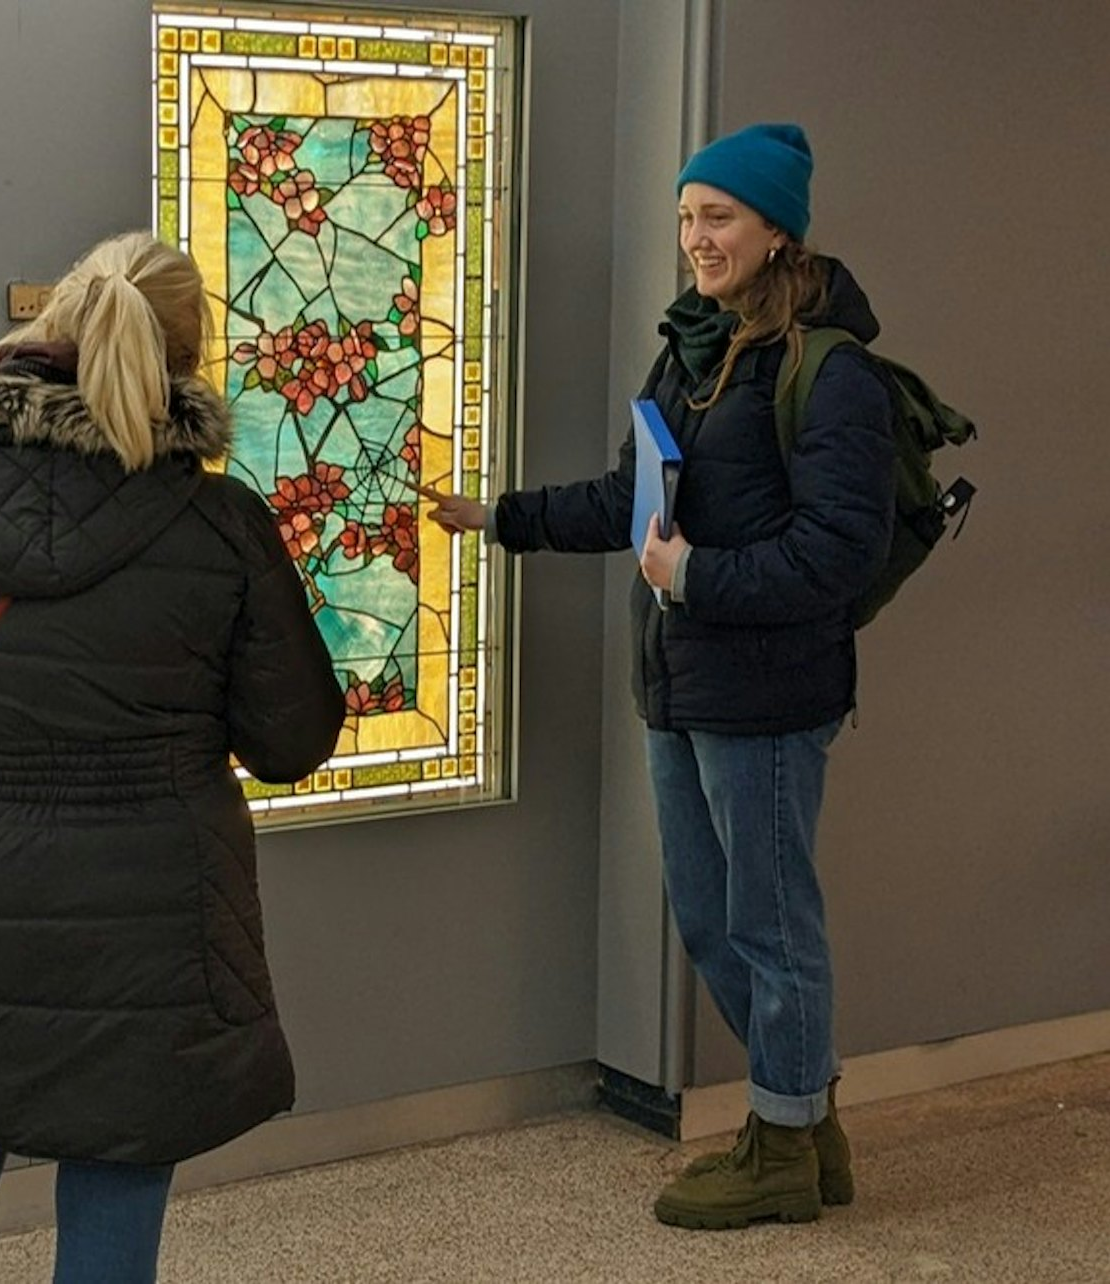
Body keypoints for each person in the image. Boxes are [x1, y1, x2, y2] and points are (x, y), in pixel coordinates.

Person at [0, 231, 345, 1281]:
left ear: (47, 326)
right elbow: (291, 739)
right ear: (184, 360)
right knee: (116, 1189)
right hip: (158, 909)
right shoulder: (219, 521)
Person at [424, 124, 896, 1230]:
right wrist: (498, 519)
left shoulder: (832, 373)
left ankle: (782, 1141)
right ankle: (805, 1122)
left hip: (771, 696)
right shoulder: (689, 352)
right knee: (710, 921)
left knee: (773, 927)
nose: (696, 239)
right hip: (678, 689)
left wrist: (696, 577)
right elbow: (626, 501)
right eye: (687, 217)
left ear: (778, 228)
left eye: (719, 216)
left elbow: (839, 552)